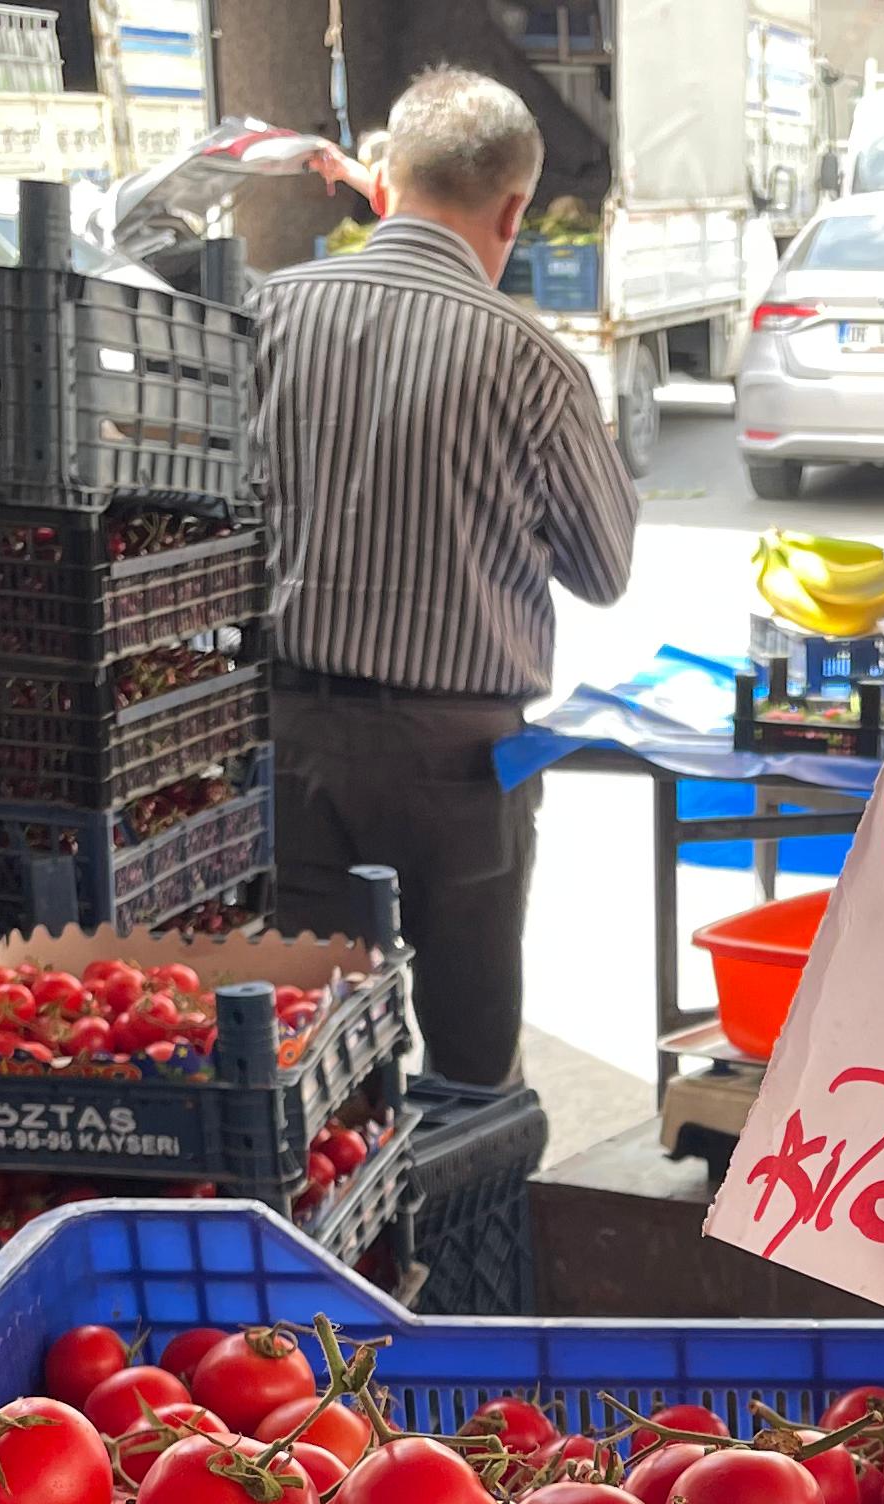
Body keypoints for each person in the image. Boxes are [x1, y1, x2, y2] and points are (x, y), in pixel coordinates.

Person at [254, 70, 635, 1086]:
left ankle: (340, 1240)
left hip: (289, 742)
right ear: (514, 209)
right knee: (471, 1058)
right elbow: (605, 571)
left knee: (308, 1058)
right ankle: (471, 1234)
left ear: (384, 183)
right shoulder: (533, 361)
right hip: (458, 763)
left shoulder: (265, 317)